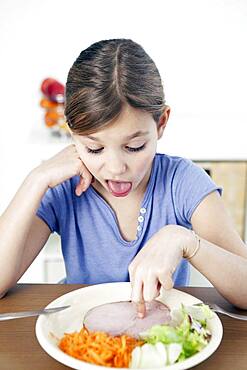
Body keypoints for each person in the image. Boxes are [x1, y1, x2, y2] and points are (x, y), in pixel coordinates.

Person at [0, 39, 247, 318]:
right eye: (94, 149)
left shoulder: (183, 183)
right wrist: (36, 179)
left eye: (134, 147)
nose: (116, 168)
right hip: (80, 338)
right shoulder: (63, 188)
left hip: (157, 343)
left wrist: (184, 240)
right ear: (72, 133)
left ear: (161, 123)